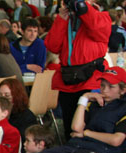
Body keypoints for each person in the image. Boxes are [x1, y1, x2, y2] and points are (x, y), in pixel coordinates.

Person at [26, 66, 126, 153]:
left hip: (99, 152)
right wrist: (84, 98)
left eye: (111, 87)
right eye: (102, 85)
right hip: (75, 145)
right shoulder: (94, 103)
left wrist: (87, 133)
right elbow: (75, 128)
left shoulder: (123, 109)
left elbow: (116, 140)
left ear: (122, 90)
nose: (105, 90)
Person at [45, 0, 111, 138]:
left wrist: (84, 9)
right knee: (69, 127)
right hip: (68, 79)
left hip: (91, 78)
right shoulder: (67, 20)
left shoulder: (101, 16)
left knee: (87, 124)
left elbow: (96, 28)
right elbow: (52, 46)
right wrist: (61, 20)